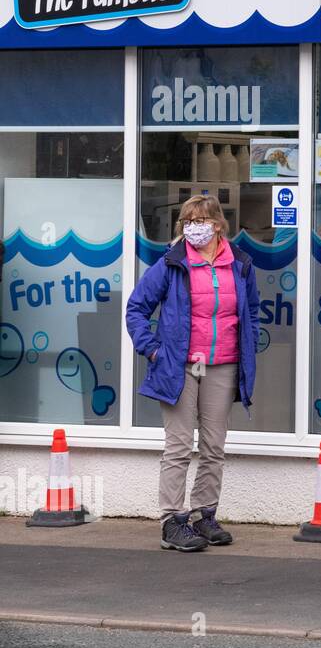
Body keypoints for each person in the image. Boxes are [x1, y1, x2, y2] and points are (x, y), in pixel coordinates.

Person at [126, 195, 260, 552]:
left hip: (222, 363)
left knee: (214, 445)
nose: (193, 228)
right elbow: (137, 308)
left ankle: (205, 516)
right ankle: (172, 521)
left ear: (218, 225)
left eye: (200, 220)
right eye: (187, 222)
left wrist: (248, 345)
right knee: (180, 445)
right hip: (180, 365)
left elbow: (253, 312)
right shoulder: (171, 263)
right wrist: (153, 349)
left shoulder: (241, 265)